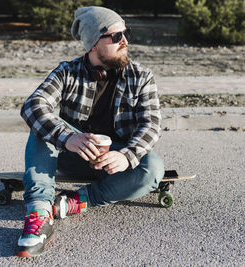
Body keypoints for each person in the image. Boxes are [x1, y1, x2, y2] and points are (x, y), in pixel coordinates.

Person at [17, 6, 164, 258]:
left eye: (125, 34)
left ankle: (76, 201)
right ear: (94, 43)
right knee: (42, 127)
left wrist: (126, 155)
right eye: (116, 37)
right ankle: (40, 212)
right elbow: (33, 105)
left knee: (153, 167)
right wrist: (67, 137)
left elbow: (151, 124)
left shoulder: (140, 77)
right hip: (70, 156)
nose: (125, 41)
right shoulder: (67, 72)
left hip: (114, 162)